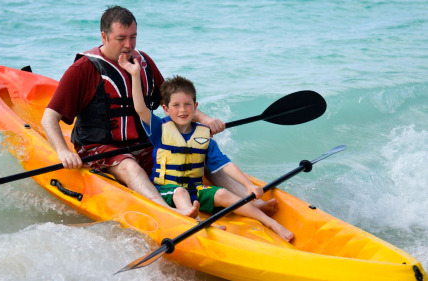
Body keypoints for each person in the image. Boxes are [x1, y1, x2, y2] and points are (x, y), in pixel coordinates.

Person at [41, 5, 224, 218]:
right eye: (121, 38)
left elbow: (173, 103)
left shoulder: (143, 63)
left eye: (133, 37)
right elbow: (49, 118)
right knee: (130, 166)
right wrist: (63, 151)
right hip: (99, 149)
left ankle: (245, 197)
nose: (128, 45)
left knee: (194, 151)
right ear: (104, 36)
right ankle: (169, 214)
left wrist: (206, 119)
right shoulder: (82, 70)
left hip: (143, 145)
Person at [119, 55, 294, 241]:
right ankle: (199, 223)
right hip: (168, 190)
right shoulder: (158, 130)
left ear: (195, 107)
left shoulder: (203, 136)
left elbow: (225, 164)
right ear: (166, 109)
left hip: (196, 189)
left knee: (224, 193)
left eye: (187, 104)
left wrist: (248, 184)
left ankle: (270, 222)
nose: (182, 110)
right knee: (180, 193)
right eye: (176, 105)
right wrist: (135, 75)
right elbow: (140, 108)